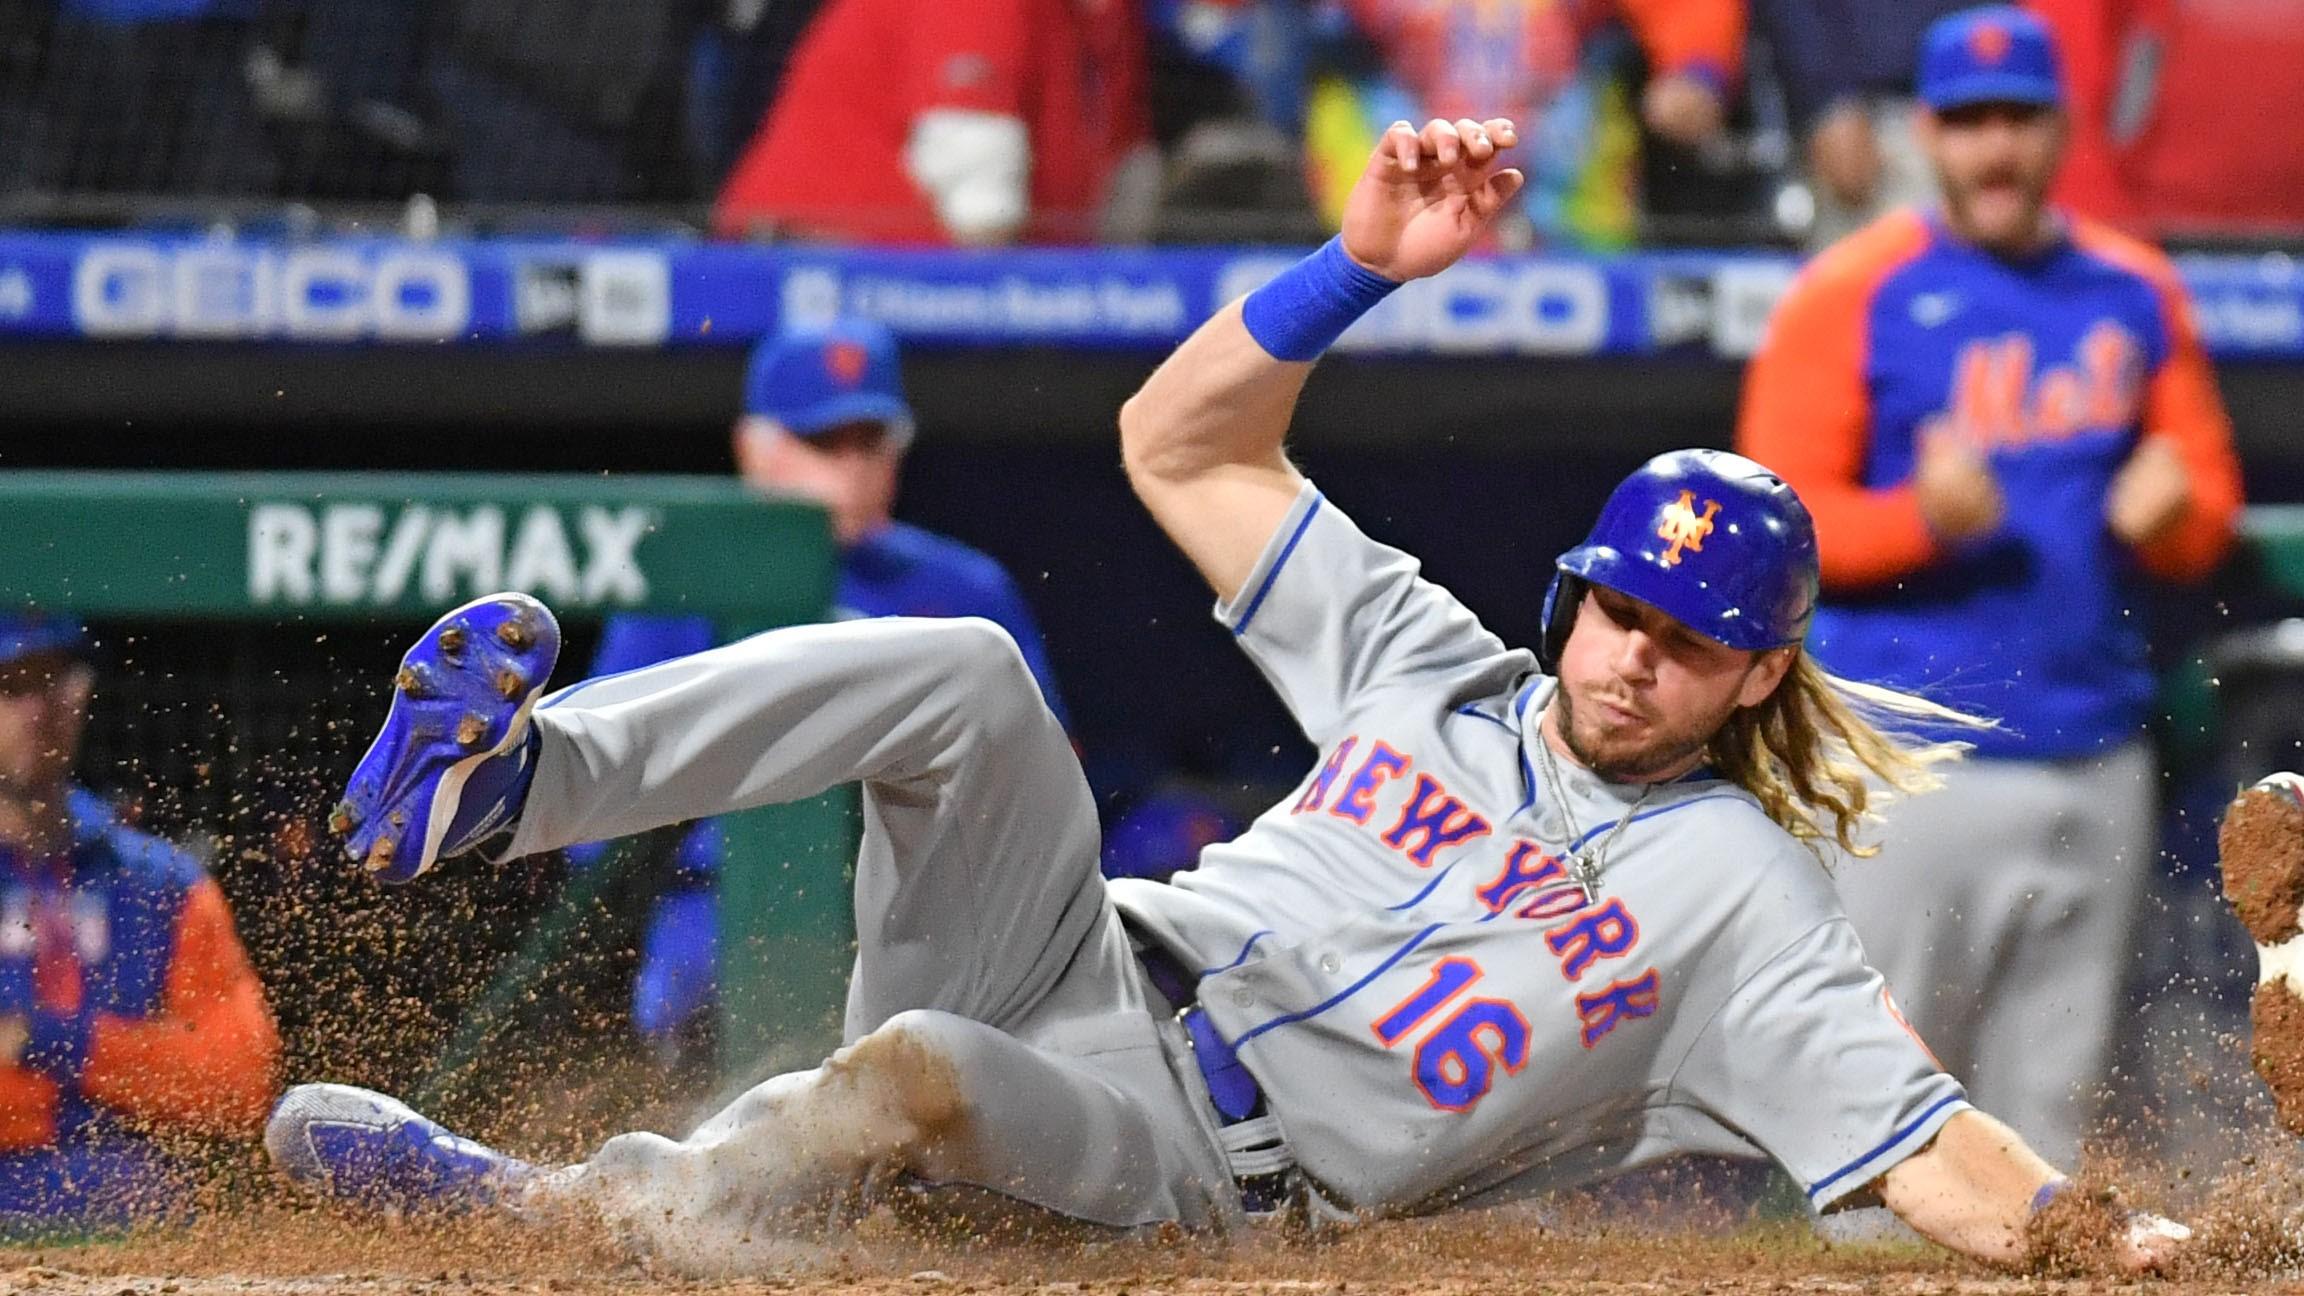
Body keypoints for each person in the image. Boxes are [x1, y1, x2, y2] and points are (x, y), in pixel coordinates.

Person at [275, 116, 2185, 1274]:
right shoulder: (1431, 666)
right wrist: (1350, 267)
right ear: (1569, 590)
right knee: (956, 669)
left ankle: (570, 1223)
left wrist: (2136, 1249)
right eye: (1612, 607)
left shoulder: (1742, 897)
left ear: (1758, 669)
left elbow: (1928, 1144)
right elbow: (1175, 447)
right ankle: (514, 783)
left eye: (1684, 641)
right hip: (1089, 945)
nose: (1627, 654)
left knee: (913, 1078)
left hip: (1200, 1162)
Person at [1733, 6, 2242, 1172]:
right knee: (1880, 1114)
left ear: (2063, 130)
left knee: (2049, 1116)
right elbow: (1766, 534)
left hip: (2094, 747)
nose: (1995, 148)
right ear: (1928, 134)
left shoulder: (2134, 290)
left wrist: (2178, 519)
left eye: (2019, 118)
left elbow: (2201, 503)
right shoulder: (1852, 289)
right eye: (1968, 122)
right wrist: (1915, 519)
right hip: (1907, 754)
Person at [585, 316, 1066, 1057]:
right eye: (821, 444)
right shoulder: (685, 576)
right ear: (754, 450)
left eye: (867, 444)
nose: (847, 470)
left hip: (922, 913)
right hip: (722, 907)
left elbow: (1047, 785)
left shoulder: (961, 587)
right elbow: (591, 822)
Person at [0, 615, 279, 1232]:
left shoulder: (160, 884)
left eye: (50, 682)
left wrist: (46, 1042)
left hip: (131, 1209)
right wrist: (131, 1069)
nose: (35, 709)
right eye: (10, 686)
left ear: (80, 694)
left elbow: (238, 1083)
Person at [711, 0, 1155, 245]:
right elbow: (977, 201)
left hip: (916, 277)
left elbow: (1122, 185)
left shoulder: (1108, 21)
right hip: (817, 265)